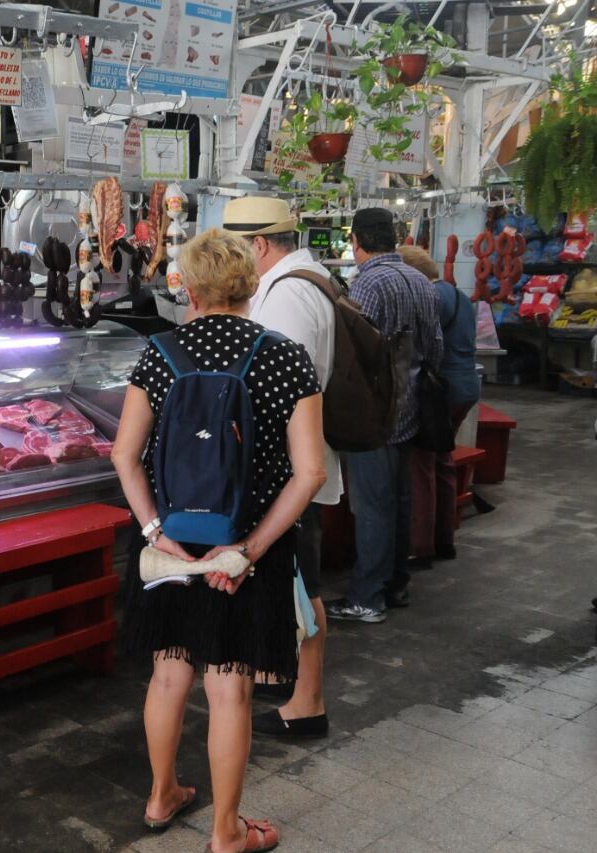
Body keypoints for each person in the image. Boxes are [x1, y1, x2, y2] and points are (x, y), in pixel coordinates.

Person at [113, 228, 327, 852]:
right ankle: (226, 832)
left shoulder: (160, 353)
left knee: (168, 673)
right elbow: (310, 473)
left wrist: (155, 533)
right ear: (249, 283)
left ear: (190, 287)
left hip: (173, 545)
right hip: (249, 548)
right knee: (229, 687)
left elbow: (124, 455)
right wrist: (247, 551)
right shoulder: (285, 356)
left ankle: (161, 796)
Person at [223, 197, 341, 740]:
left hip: (291, 469)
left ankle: (307, 703)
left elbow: (280, 391)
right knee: (293, 580)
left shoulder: (287, 294)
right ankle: (288, 682)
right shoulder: (306, 279)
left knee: (302, 583)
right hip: (296, 462)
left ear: (259, 245)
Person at [326, 210, 443, 624]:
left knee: (373, 505)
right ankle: (395, 584)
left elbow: (354, 355)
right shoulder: (420, 280)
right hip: (411, 407)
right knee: (400, 500)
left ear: (356, 241)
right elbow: (435, 347)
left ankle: (367, 598)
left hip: (374, 412)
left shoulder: (368, 283)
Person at [397, 245, 480, 568]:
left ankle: (421, 547)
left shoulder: (432, 297)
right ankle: (445, 538)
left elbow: (424, 344)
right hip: (465, 386)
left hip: (439, 390)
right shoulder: (458, 296)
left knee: (422, 466)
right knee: (444, 460)